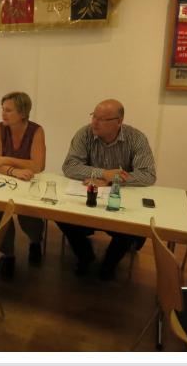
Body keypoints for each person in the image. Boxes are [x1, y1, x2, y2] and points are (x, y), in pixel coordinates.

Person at [59, 99, 156, 281]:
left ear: (119, 121)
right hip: (88, 196)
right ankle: (85, 256)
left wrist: (112, 181)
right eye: (94, 116)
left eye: (102, 119)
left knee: (131, 225)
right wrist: (104, 173)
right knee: (60, 214)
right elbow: (70, 166)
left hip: (118, 197)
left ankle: (109, 264)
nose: (94, 122)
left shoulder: (136, 138)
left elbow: (148, 175)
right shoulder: (84, 134)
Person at [0, 92, 46, 277]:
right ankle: (8, 255)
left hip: (29, 183)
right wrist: (15, 171)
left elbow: (37, 166)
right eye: (3, 109)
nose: (3, 114)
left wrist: (5, 159)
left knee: (28, 215)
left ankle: (35, 242)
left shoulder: (36, 131)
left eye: (8, 110)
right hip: (6, 180)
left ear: (22, 113)